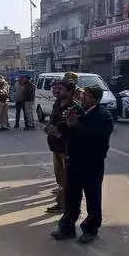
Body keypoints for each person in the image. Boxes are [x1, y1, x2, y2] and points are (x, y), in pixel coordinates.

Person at [51, 85, 114, 244]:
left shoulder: (103, 116)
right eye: (83, 95)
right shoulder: (79, 111)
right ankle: (67, 227)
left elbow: (94, 136)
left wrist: (76, 124)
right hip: (73, 161)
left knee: (93, 197)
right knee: (71, 195)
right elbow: (68, 128)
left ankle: (91, 229)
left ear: (95, 99)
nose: (82, 98)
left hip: (92, 164)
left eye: (86, 96)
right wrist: (58, 128)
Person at [44, 80, 82, 214]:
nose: (56, 91)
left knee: (68, 179)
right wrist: (49, 127)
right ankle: (62, 203)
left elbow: (76, 130)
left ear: (70, 91)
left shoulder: (74, 108)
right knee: (60, 178)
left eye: (60, 88)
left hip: (67, 148)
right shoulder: (57, 103)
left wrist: (59, 133)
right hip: (56, 147)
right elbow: (54, 121)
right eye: (54, 88)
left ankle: (66, 206)